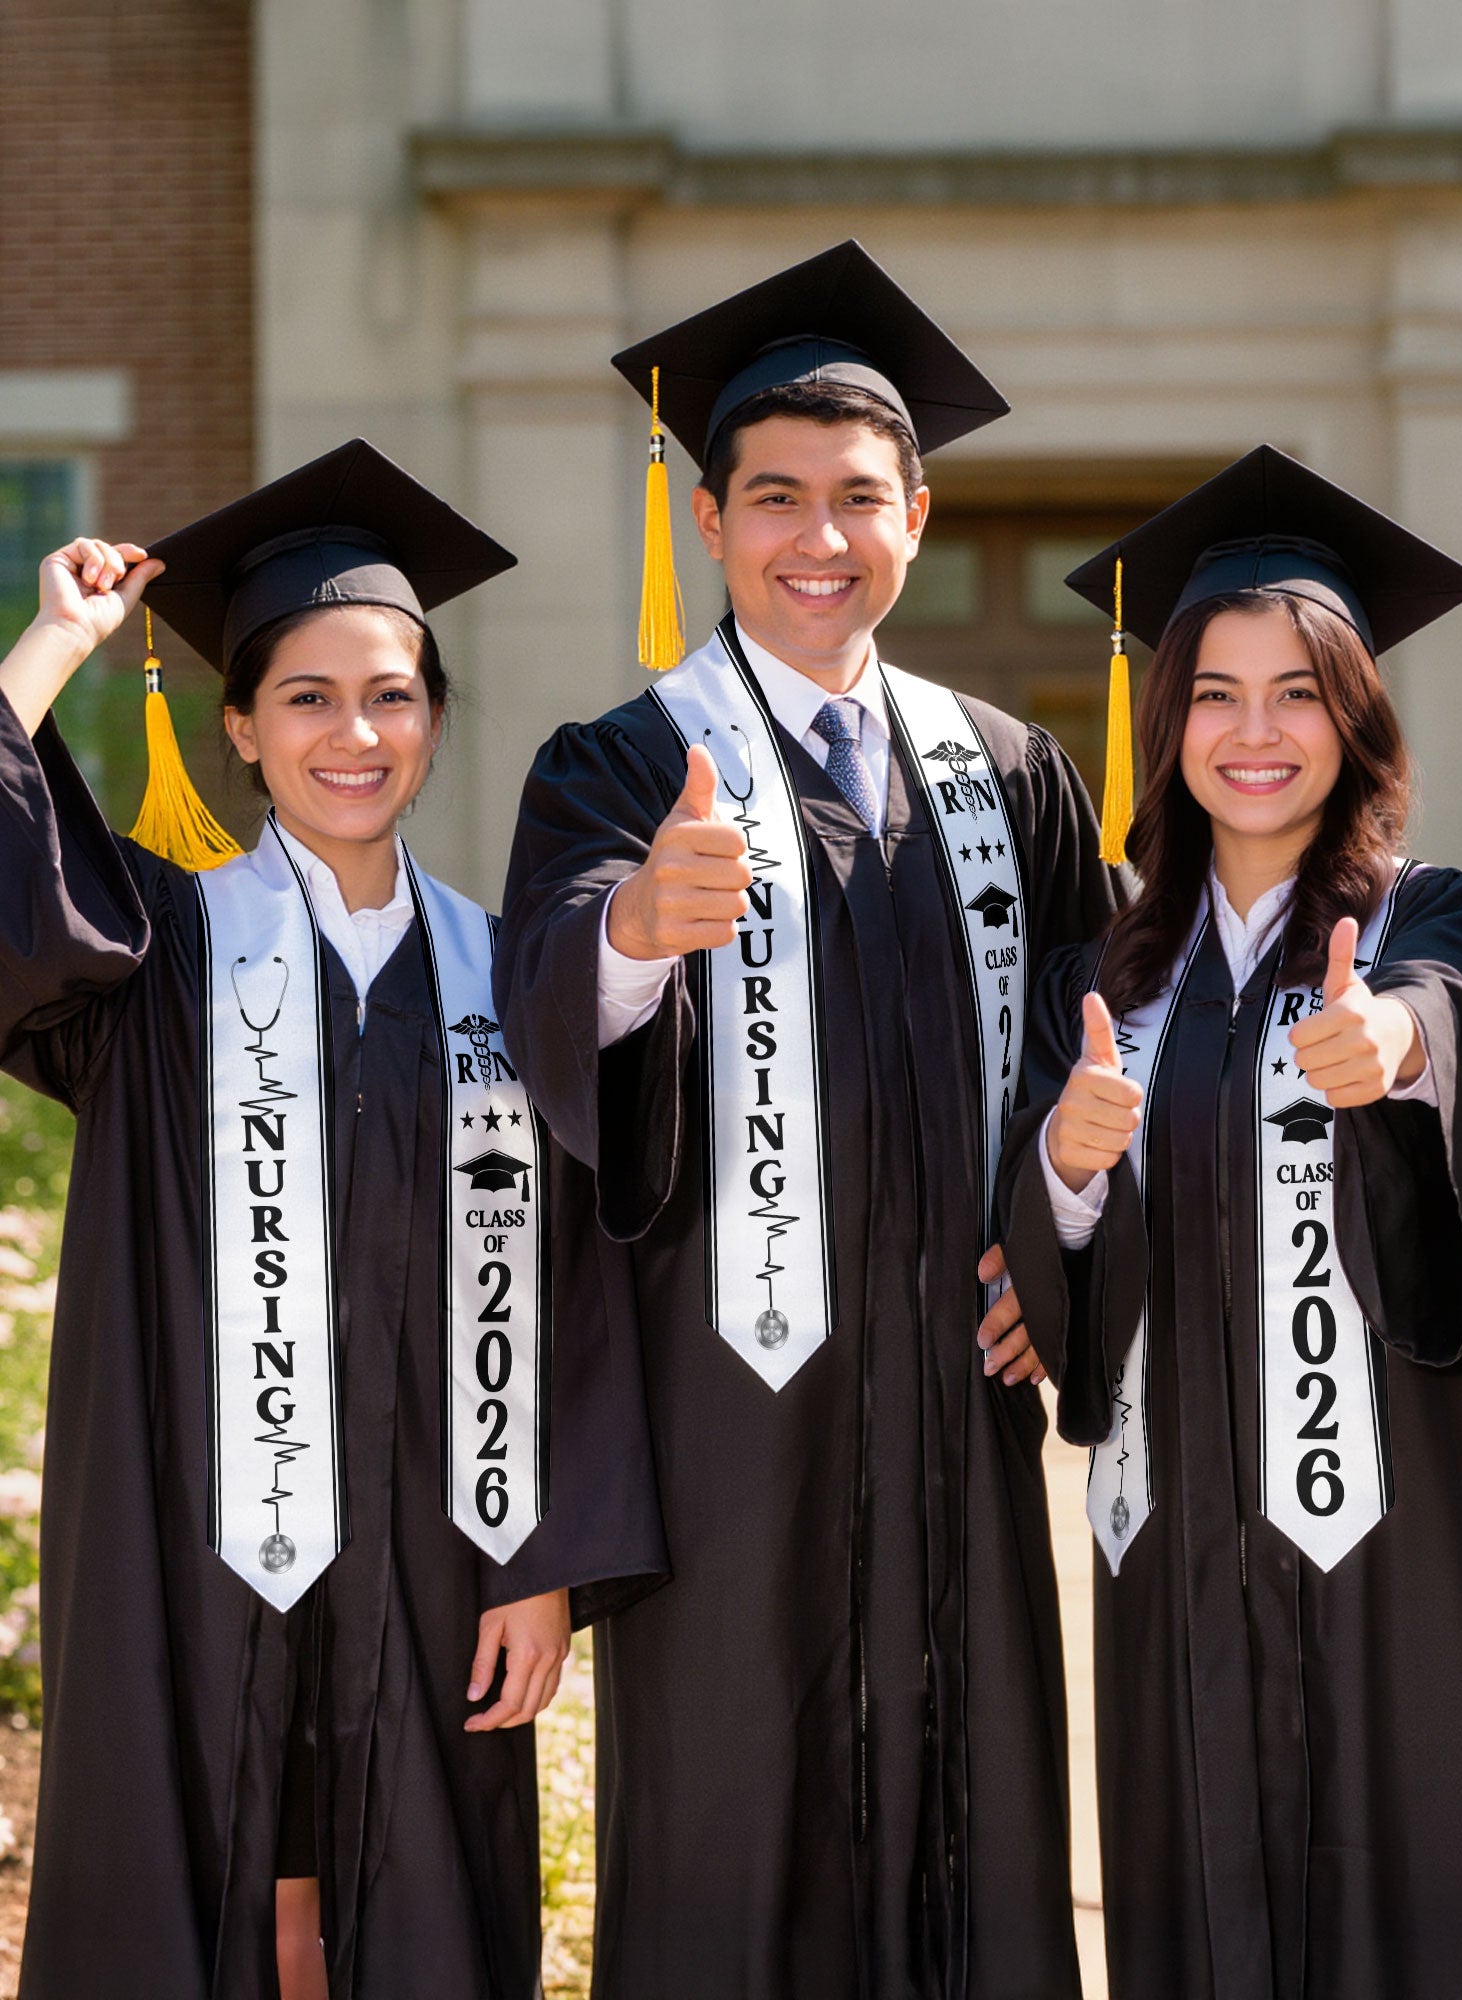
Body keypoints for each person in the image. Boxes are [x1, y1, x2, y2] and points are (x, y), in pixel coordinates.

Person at [495, 241, 1122, 1999]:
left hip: (956, 1401)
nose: (819, 538)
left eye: (860, 498)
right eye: (776, 499)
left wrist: (1063, 1253)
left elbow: (1113, 1041)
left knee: (975, 1814)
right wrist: (631, 931)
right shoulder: (620, 764)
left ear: (917, 514)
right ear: (710, 521)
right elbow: (547, 994)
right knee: (734, 1830)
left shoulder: (1008, 770)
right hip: (729, 1419)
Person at [0, 440, 664, 2000]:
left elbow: (580, 1284)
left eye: (391, 694)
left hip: (445, 1543)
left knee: (419, 1897)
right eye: (305, 696)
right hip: (190, 1535)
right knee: (202, 1870)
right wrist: (53, 646)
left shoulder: (513, 974)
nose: (353, 733)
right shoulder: (154, 953)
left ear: (434, 718)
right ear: (238, 726)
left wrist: (545, 1560)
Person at [1000, 447, 1462, 1999]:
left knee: (1423, 1896)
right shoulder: (1105, 981)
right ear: (1166, 721)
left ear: (1358, 718)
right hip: (1176, 1529)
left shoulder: (1438, 915)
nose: (1257, 734)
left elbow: (1460, 1026)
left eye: (1300, 692)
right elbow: (1051, 1255)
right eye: (1216, 694)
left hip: (1402, 1534)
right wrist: (1061, 1157)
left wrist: (1395, 1049)